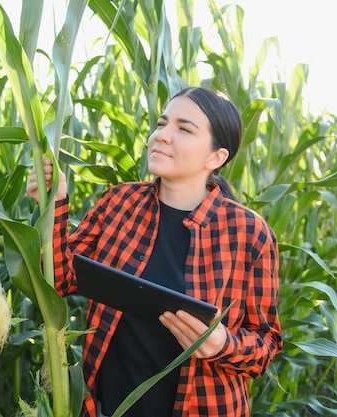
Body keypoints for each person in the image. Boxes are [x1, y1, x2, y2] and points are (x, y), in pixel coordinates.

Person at [26, 86, 282, 417]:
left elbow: (267, 345)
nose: (161, 136)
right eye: (162, 124)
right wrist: (53, 205)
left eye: (184, 129)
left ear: (216, 157)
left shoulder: (249, 233)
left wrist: (222, 344)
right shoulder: (118, 203)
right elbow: (59, 281)